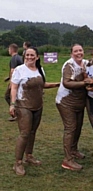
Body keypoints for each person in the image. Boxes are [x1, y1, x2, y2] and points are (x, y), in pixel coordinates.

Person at [10, 47, 59, 176]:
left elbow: (42, 85)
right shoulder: (19, 70)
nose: (30, 57)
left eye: (32, 55)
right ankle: (18, 163)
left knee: (32, 132)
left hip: (38, 106)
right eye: (27, 55)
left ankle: (29, 156)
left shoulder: (40, 70)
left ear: (37, 57)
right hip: (23, 105)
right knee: (25, 133)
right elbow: (14, 88)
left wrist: (58, 84)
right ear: (24, 56)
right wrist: (12, 104)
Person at [56, 44, 88, 171]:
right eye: (76, 51)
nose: (78, 53)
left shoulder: (85, 63)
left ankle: (73, 150)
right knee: (70, 128)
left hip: (79, 102)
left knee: (78, 127)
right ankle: (67, 160)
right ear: (71, 54)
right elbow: (66, 82)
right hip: (65, 101)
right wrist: (84, 83)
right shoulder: (68, 65)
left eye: (80, 50)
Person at [5, 43, 23, 121]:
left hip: (16, 81)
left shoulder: (14, 58)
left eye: (9, 49)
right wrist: (8, 77)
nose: (8, 51)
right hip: (20, 80)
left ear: (12, 50)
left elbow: (13, 70)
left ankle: (15, 114)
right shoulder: (19, 58)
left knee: (8, 96)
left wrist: (11, 83)